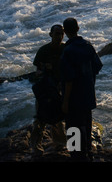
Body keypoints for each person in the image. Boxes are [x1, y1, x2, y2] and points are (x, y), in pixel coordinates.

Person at [61, 18, 103, 161]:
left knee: (73, 128)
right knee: (86, 125)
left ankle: (75, 156)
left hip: (73, 98)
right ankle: (88, 153)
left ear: (65, 31)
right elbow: (97, 66)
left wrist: (65, 102)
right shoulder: (88, 46)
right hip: (88, 94)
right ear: (78, 28)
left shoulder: (67, 51)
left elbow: (68, 79)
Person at [30, 24, 67, 155]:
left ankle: (60, 144)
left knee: (58, 118)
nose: (60, 36)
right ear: (50, 35)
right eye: (57, 33)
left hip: (59, 88)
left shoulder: (65, 48)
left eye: (62, 34)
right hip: (45, 89)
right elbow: (37, 71)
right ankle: (36, 147)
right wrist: (45, 69)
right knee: (40, 118)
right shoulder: (43, 51)